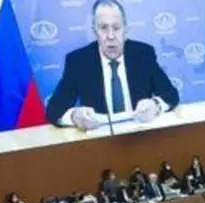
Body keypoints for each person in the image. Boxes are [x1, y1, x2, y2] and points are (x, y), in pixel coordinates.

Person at [45, 0, 180, 130]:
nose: (110, 36)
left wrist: (155, 105)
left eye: (116, 28)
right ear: (95, 31)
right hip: (100, 140)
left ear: (125, 30)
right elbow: (54, 111)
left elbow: (171, 95)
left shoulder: (143, 54)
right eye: (103, 28)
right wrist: (75, 116)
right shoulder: (78, 61)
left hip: (140, 136)